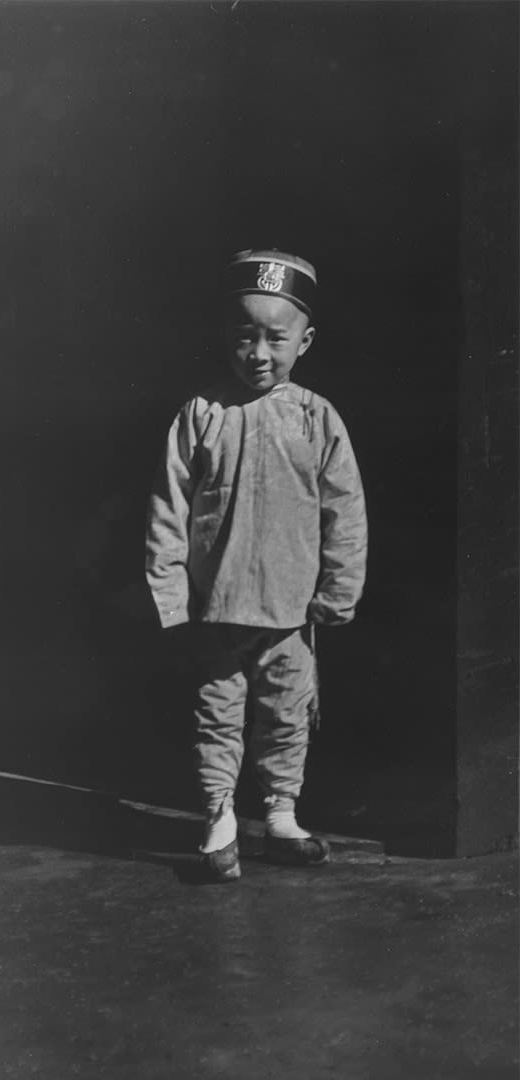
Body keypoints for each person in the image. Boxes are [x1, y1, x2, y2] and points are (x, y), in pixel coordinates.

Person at [145, 249, 367, 880]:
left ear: (306, 341)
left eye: (277, 338)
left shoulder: (316, 418)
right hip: (218, 608)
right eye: (245, 337)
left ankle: (280, 816)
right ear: (226, 335)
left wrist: (338, 591)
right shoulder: (201, 415)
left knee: (286, 714)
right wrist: (171, 595)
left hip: (291, 612)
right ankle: (218, 818)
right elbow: (168, 509)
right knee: (217, 715)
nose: (259, 354)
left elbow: (344, 512)